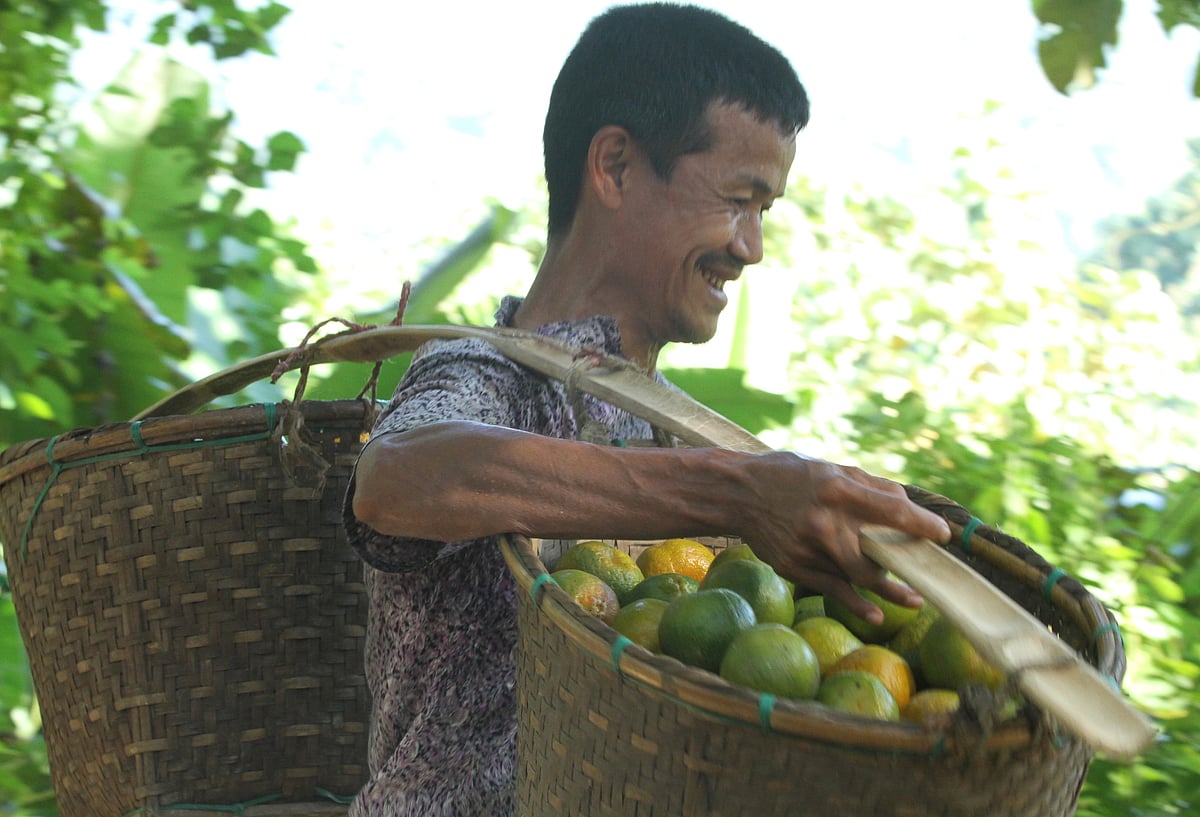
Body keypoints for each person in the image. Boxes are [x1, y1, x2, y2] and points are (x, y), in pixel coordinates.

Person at [342, 4, 951, 815]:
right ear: (618, 168)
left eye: (764, 213)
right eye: (740, 200)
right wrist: (733, 492)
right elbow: (396, 475)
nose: (751, 246)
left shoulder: (672, 426)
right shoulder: (484, 371)